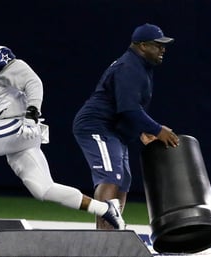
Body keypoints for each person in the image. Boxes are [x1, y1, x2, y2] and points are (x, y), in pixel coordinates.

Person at [0, 20, 125, 229]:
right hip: (1, 127)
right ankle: (106, 209)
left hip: (18, 122)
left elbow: (32, 81)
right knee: (44, 189)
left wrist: (32, 113)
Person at [72, 23, 180, 229]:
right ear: (141, 46)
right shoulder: (129, 67)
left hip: (114, 129)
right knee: (110, 176)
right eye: (158, 45)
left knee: (123, 180)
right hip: (96, 126)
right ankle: (104, 237)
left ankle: (113, 230)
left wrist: (142, 129)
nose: (163, 49)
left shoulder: (140, 66)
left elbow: (127, 107)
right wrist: (157, 129)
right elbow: (129, 109)